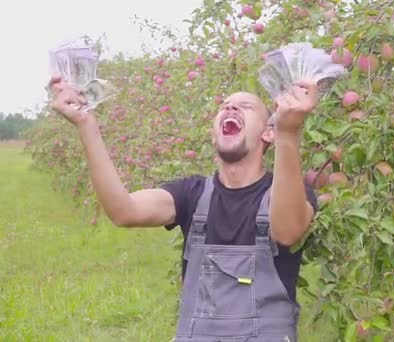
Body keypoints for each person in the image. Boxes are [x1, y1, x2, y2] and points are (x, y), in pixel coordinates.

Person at [48, 75, 320, 342]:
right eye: (224, 105)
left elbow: (287, 232)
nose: (230, 107)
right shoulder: (192, 195)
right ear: (214, 135)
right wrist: (86, 123)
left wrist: (288, 132)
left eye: (245, 106)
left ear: (268, 132)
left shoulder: (290, 191)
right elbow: (123, 211)